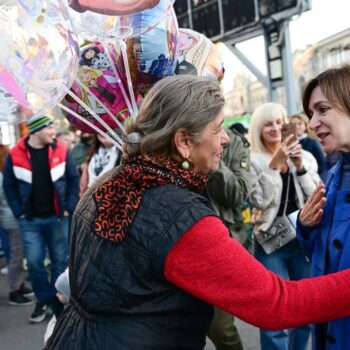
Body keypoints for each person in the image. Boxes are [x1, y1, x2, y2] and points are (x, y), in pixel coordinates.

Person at [46, 75, 350, 350]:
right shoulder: (180, 218)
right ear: (184, 142)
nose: (226, 138)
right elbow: (276, 303)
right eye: (217, 128)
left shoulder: (107, 182)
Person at [248, 102, 320, 350]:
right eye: (268, 123)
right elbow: (257, 200)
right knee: (274, 313)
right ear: (258, 128)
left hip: (303, 238)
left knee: (306, 310)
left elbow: (316, 197)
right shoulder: (254, 160)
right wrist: (272, 167)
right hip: (270, 241)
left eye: (280, 122)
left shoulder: (306, 156)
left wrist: (299, 167)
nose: (276, 128)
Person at [3, 116, 79, 323]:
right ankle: (43, 300)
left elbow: (73, 180)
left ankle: (57, 302)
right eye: (49, 127)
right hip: (30, 221)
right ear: (36, 131)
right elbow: (9, 185)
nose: (53, 131)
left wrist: (69, 207)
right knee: (35, 263)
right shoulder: (16, 153)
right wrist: (19, 212)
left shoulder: (62, 150)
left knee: (59, 262)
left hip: (57, 218)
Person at [297, 65, 350, 350]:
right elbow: (324, 252)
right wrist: (305, 226)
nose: (313, 123)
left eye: (323, 109)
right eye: (311, 114)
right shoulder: (332, 176)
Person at [206, 127, 251, 350]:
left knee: (220, 329)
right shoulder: (173, 134)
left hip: (216, 246)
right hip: (175, 241)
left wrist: (213, 156)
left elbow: (237, 195)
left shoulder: (233, 142)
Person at [0, 144, 33, 306]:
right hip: (10, 219)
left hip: (10, 218)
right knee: (15, 255)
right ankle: (14, 290)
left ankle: (18, 285)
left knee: (17, 254)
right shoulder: (2, 176)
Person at [79, 133, 122, 197]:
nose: (105, 133)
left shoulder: (123, 155)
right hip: (89, 200)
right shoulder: (92, 153)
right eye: (102, 129)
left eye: (110, 130)